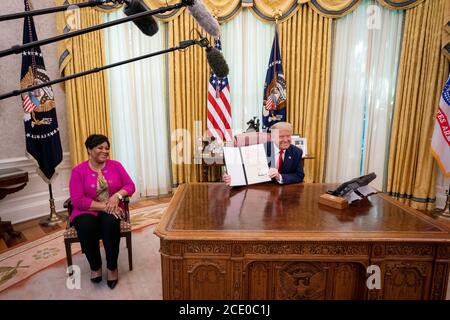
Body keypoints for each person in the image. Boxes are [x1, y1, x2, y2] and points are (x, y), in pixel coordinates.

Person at [69, 134, 135, 289]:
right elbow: (78, 200)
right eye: (100, 147)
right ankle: (95, 266)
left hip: (112, 210)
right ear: (89, 150)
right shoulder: (78, 171)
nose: (105, 151)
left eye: (107, 148)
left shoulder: (116, 166)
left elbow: (130, 186)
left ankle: (112, 267)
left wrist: (117, 196)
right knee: (86, 226)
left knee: (110, 223)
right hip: (86, 210)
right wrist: (106, 205)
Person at [224, 121, 304, 185]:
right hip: (262, 192)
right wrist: (231, 176)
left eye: (288, 136)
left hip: (286, 193)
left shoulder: (296, 152)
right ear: (273, 137)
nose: (286, 140)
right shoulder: (261, 149)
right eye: (281, 136)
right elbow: (243, 168)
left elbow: (299, 176)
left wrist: (280, 176)